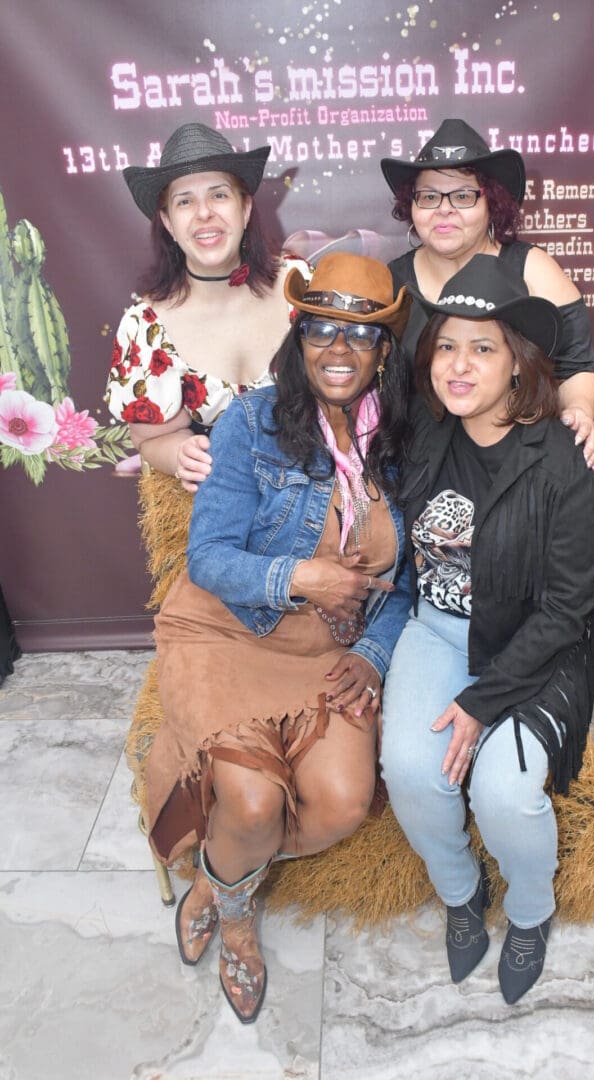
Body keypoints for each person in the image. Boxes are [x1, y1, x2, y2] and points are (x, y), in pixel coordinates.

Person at [145, 253, 413, 1024]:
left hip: (329, 651)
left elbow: (416, 581)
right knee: (256, 803)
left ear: (382, 352)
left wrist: (373, 651)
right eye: (321, 329)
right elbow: (209, 557)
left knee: (339, 805)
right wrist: (302, 576)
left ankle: (219, 875)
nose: (338, 349)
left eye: (358, 335)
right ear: (297, 338)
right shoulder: (253, 422)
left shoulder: (405, 443)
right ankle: (235, 918)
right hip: (230, 631)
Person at [380, 254, 594, 1004]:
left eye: (483, 347)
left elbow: (567, 610)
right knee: (413, 771)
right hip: (439, 631)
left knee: (504, 793)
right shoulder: (425, 438)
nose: (459, 363)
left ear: (518, 363)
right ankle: (459, 893)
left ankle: (532, 914)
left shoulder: (561, 462)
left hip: (532, 647)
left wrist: (484, 703)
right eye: (446, 345)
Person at [380, 117, 594, 468]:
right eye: (428, 196)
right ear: (411, 205)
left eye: (464, 195)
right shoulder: (390, 282)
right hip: (419, 468)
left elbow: (578, 368)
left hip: (518, 466)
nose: (444, 209)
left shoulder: (534, 270)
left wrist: (579, 410)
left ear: (492, 204)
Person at [105, 122, 308, 491]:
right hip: (226, 513)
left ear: (245, 208)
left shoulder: (299, 284)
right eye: (184, 201)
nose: (203, 214)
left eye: (218, 195)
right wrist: (181, 453)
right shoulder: (146, 326)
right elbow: (151, 439)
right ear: (167, 221)